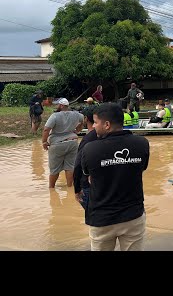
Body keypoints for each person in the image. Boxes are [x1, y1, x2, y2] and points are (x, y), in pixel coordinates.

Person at [81, 102, 150, 251]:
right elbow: (140, 169)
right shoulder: (142, 143)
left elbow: (89, 177)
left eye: (96, 122)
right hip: (133, 216)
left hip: (102, 218)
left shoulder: (90, 149)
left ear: (106, 124)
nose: (93, 126)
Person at [41, 98, 85, 188]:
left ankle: (51, 189)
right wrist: (78, 129)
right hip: (72, 142)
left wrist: (44, 142)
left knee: (54, 169)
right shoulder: (76, 114)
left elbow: (46, 129)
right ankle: (69, 188)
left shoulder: (55, 116)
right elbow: (83, 119)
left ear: (61, 106)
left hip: (57, 144)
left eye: (57, 104)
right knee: (70, 167)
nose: (56, 106)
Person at [73, 107, 98, 212]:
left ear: (86, 119)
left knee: (93, 217)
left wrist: (77, 189)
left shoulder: (88, 139)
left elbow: (78, 165)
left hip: (87, 185)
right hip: (102, 183)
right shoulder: (105, 135)